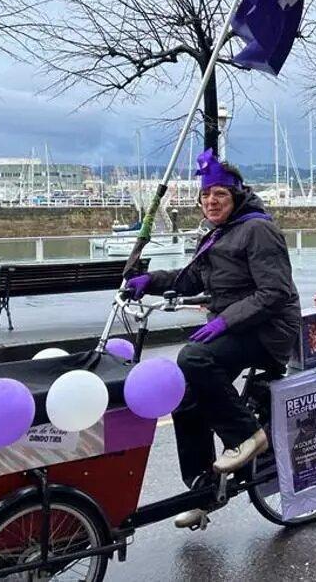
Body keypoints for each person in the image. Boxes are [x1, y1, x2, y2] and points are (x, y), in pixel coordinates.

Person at [125, 149, 301, 529]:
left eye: (219, 194)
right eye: (205, 196)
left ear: (236, 196)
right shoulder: (217, 234)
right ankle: (203, 489)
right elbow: (190, 280)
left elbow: (275, 293)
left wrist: (224, 323)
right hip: (239, 324)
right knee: (184, 393)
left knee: (194, 358)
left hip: (269, 330)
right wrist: (148, 282)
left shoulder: (258, 229)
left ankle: (248, 435)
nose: (211, 201)